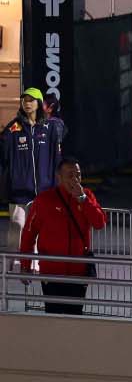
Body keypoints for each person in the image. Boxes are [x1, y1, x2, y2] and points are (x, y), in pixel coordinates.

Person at [18, 157, 106, 314]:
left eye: (78, 175)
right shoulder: (44, 200)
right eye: (70, 175)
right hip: (52, 272)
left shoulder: (87, 196)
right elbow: (29, 234)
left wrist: (83, 200)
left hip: (78, 272)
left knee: (75, 316)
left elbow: (99, 223)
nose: (75, 179)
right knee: (54, 315)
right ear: (59, 177)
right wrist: (25, 265)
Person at [2, 87, 67, 251]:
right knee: (17, 226)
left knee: (40, 230)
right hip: (19, 192)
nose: (27, 103)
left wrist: (57, 186)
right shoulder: (12, 129)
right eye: (24, 100)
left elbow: (56, 159)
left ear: (38, 103)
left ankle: (36, 265)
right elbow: (3, 156)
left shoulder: (50, 128)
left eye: (31, 100)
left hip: (44, 192)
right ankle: (14, 264)